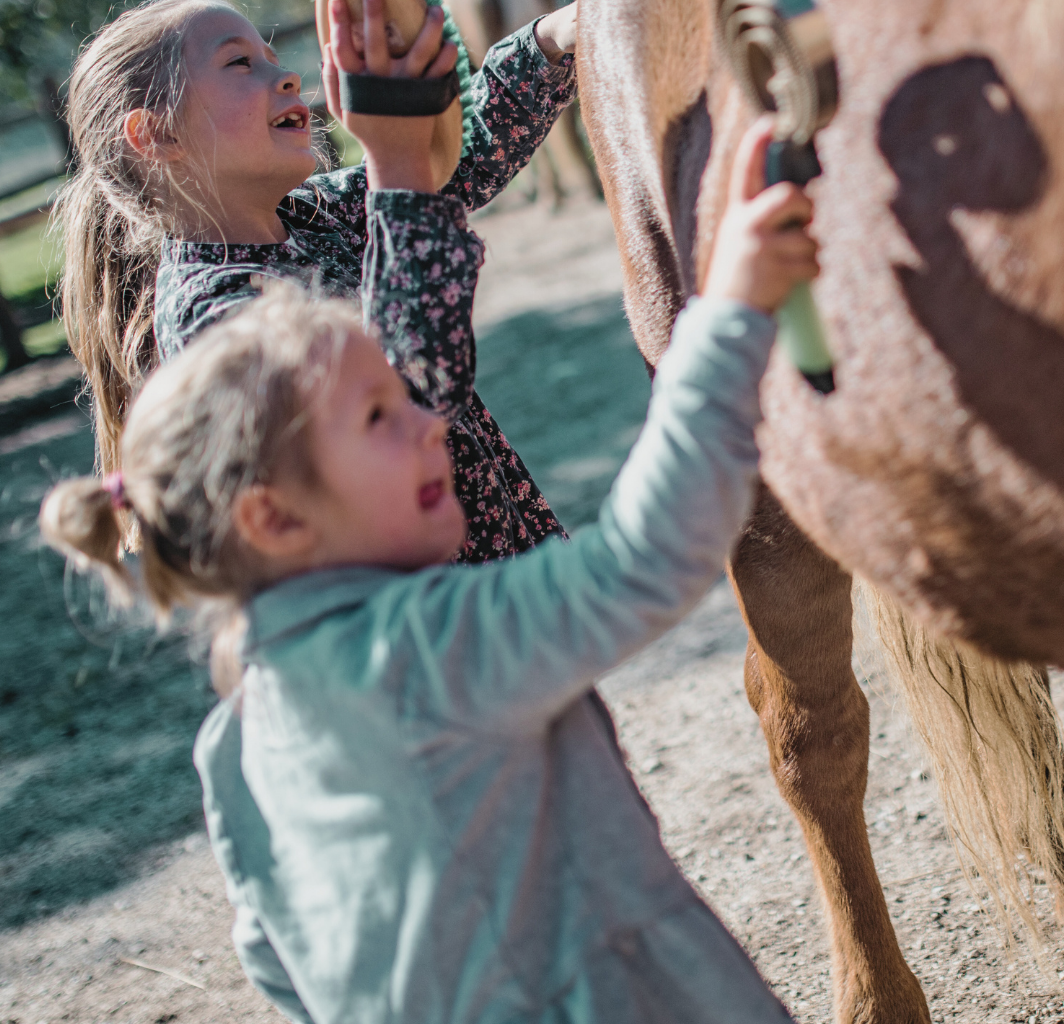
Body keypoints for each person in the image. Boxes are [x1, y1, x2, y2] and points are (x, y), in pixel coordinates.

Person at [40, 118, 818, 1023]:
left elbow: (282, 966)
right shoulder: (425, 647)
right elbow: (641, 562)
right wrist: (727, 318)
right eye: (380, 417)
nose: (431, 423)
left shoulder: (232, 750)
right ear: (275, 516)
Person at [56, 0, 578, 563]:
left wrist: (552, 40)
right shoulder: (213, 316)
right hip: (416, 623)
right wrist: (392, 157)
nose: (286, 77)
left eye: (272, 57)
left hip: (492, 578)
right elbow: (410, 395)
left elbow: (451, 162)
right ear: (157, 134)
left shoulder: (314, 215)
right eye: (239, 64)